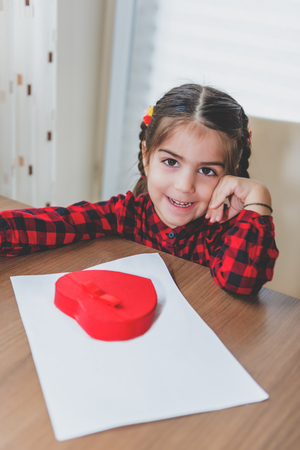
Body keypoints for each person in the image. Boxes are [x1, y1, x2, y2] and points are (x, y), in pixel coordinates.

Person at [0, 84, 278, 295]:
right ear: (146, 157)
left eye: (207, 170)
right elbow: (60, 222)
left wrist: (259, 199)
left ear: (230, 177)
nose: (184, 186)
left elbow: (240, 281)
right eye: (171, 161)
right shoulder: (126, 213)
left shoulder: (226, 232)